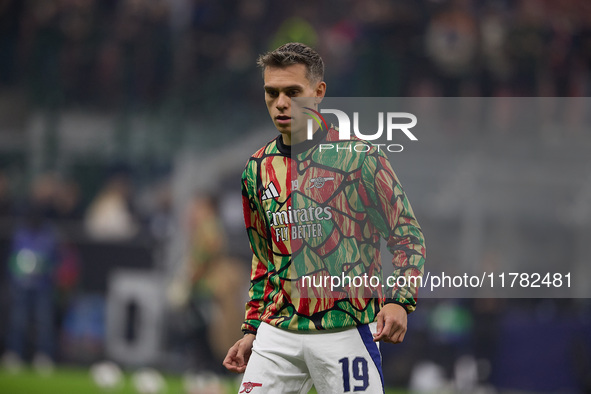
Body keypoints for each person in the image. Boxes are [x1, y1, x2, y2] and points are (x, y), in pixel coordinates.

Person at [223, 42, 426, 393]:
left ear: (318, 93)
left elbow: (406, 235)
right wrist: (252, 327)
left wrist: (398, 300)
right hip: (277, 333)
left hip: (345, 329)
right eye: (272, 93)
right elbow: (265, 257)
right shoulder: (256, 169)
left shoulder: (359, 157)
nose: (281, 102)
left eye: (292, 92)